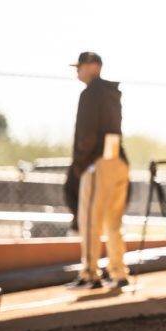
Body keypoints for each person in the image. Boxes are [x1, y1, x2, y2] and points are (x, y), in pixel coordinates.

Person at [66, 52, 130, 290]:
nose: (77, 71)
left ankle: (90, 274)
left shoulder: (91, 93)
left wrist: (81, 163)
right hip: (118, 160)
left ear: (94, 66)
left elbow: (87, 133)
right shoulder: (112, 93)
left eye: (80, 66)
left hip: (98, 163)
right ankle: (118, 272)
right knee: (113, 222)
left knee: (91, 221)